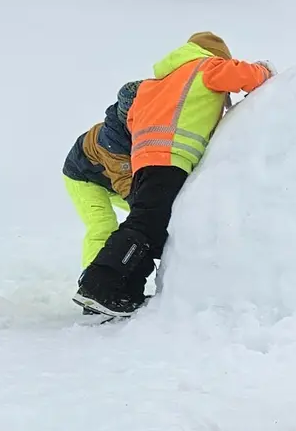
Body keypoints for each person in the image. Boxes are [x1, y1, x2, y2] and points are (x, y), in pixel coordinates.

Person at [74, 32, 273, 318]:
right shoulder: (205, 67)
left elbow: (132, 120)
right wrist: (264, 70)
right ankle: (100, 283)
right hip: (170, 158)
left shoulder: (156, 84)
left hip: (144, 159)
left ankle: (124, 291)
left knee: (151, 226)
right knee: (145, 224)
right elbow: (243, 75)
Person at [61, 80, 139, 271]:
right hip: (85, 178)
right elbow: (126, 183)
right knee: (103, 226)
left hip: (111, 179)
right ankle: (93, 281)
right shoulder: (112, 140)